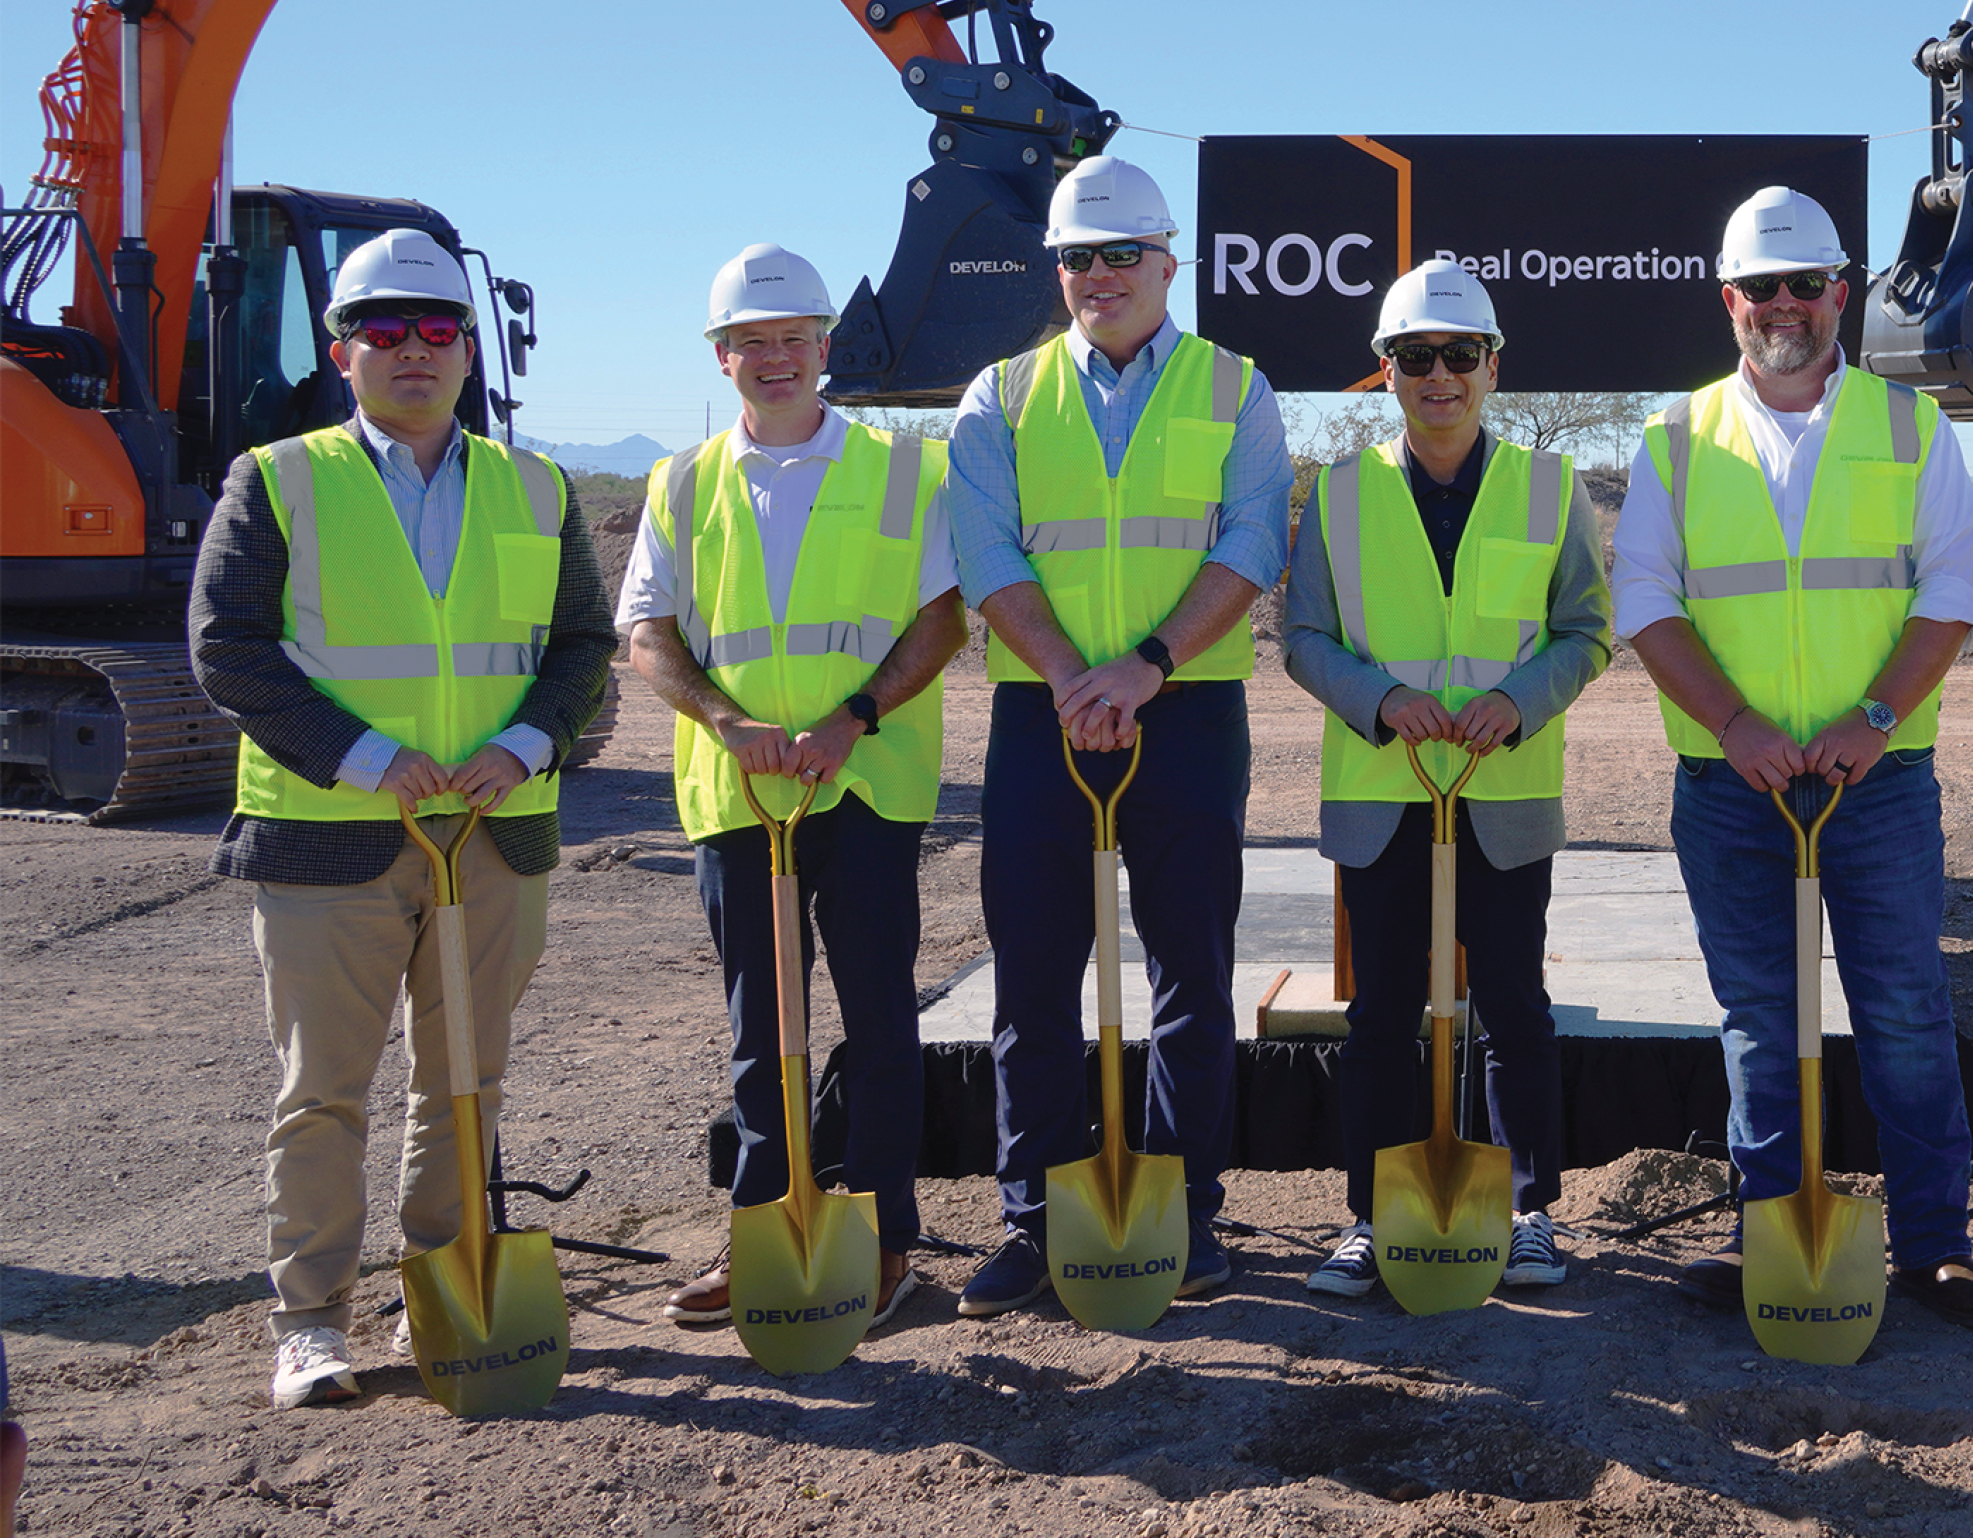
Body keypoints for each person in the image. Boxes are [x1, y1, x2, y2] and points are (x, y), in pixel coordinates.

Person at [189, 229, 615, 1410]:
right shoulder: (278, 479)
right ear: (342, 352)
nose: (412, 347)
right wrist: (370, 759)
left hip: (493, 834)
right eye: (383, 328)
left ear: (469, 349)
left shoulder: (535, 486)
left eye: (436, 327)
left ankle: (446, 1287)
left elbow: (582, 643)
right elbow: (227, 646)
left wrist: (526, 744)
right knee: (323, 1091)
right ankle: (310, 1321)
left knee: (465, 1082)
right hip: (330, 837)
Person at [1615, 185, 1973, 1330]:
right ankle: (1773, 1230)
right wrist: (1734, 724)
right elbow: (1645, 598)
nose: (1783, 303)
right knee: (1759, 1018)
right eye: (1762, 285)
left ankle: (1934, 1247)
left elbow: (1951, 588)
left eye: (1805, 282)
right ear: (1727, 298)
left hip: (1874, 782)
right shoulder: (1674, 437)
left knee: (1903, 1011)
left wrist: (1873, 719)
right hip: (1728, 784)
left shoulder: (1908, 426)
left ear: (1842, 292)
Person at [942, 155, 1292, 1317]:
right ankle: (1035, 1221)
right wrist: (1068, 674)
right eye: (1076, 256)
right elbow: (984, 548)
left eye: (1120, 253)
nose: (1098, 273)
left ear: (1166, 261)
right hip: (1041, 711)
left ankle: (1183, 1211)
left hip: (1183, 707)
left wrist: (1145, 665)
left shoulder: (1235, 387)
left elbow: (1251, 538)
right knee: (1034, 976)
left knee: (1191, 970)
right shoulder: (1000, 394)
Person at [619, 245, 964, 1330]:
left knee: (879, 1020)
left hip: (864, 788)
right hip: (739, 797)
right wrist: (727, 722)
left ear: (825, 346)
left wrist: (852, 718)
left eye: (793, 338)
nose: (775, 357)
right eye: (751, 342)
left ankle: (886, 1238)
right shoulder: (679, 482)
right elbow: (647, 632)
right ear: (721, 357)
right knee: (760, 1029)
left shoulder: (907, 471)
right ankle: (766, 1228)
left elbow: (942, 619)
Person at [1279, 262, 1611, 1298]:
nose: (1438, 374)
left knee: (1514, 1009)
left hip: (1503, 798)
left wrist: (1518, 700)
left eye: (1458, 354)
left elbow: (1587, 631)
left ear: (1491, 366)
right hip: (1382, 798)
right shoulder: (1337, 493)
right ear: (1384, 370)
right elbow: (1302, 638)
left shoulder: (1551, 487)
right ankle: (1372, 1217)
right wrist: (1378, 698)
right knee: (1379, 1015)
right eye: (1414, 355)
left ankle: (1528, 1212)